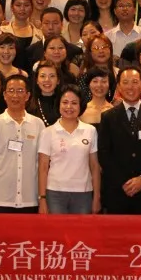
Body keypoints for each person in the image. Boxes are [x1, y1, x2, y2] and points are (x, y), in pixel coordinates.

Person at [98, 67, 141, 214]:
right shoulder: (108, 117)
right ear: (118, 87)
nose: (130, 87)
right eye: (125, 82)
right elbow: (104, 154)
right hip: (117, 192)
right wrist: (123, 181)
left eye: (135, 82)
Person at [0, 74, 44, 214]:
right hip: (0, 198)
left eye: (20, 91)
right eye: (11, 91)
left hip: (30, 198)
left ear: (27, 96)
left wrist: (42, 197)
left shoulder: (38, 124)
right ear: (4, 95)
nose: (15, 95)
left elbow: (42, 163)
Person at [37, 85, 101, 214]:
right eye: (65, 102)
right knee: (57, 227)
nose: (69, 107)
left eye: (74, 103)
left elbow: (94, 166)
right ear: (58, 104)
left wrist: (96, 197)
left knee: (81, 227)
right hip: (55, 193)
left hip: (83, 192)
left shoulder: (90, 130)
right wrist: (42, 198)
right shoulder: (48, 132)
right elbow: (43, 167)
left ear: (80, 106)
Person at [28, 60, 63, 126]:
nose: (47, 80)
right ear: (37, 80)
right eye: (42, 76)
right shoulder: (28, 104)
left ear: (58, 80)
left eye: (52, 76)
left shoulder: (66, 103)